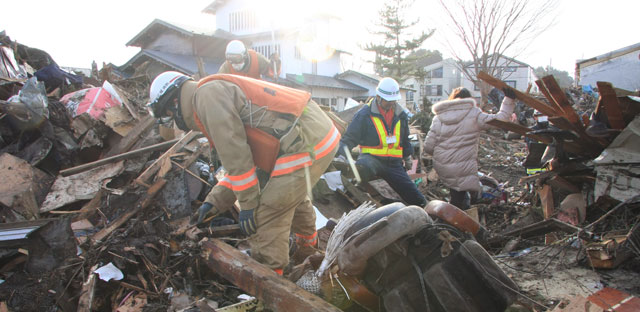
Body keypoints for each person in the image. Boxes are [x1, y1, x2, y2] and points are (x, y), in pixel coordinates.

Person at [147, 71, 340, 274]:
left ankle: (270, 280)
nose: (173, 120)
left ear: (175, 103)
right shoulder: (207, 94)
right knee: (289, 196)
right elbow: (245, 164)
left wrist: (248, 205)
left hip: (306, 142)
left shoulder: (207, 98)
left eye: (168, 115)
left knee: (268, 211)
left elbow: (237, 158)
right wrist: (214, 202)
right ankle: (308, 250)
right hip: (311, 135)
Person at [337, 77, 426, 207]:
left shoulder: (401, 115)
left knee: (415, 196)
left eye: (393, 101)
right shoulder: (364, 114)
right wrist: (340, 155)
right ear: (378, 97)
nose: (391, 104)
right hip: (371, 159)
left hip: (393, 163)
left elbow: (405, 138)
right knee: (362, 168)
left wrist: (407, 157)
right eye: (388, 101)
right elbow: (350, 137)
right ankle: (355, 194)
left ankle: (426, 212)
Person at [424, 86, 516, 210]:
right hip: (463, 166)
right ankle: (455, 221)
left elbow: (428, 147)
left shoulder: (438, 118)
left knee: (457, 192)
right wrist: (508, 100)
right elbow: (501, 119)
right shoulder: (474, 114)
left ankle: (459, 215)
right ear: (469, 99)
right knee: (459, 196)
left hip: (443, 165)